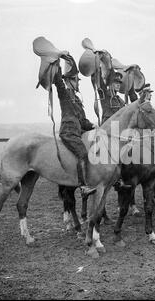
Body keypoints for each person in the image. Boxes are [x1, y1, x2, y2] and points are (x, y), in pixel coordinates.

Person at [53, 55, 96, 196]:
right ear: (68, 81)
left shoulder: (77, 99)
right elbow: (58, 82)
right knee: (83, 154)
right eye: (76, 80)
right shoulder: (64, 94)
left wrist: (93, 126)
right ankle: (83, 186)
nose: (78, 83)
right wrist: (58, 62)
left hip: (78, 132)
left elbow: (82, 120)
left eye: (77, 80)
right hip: (68, 132)